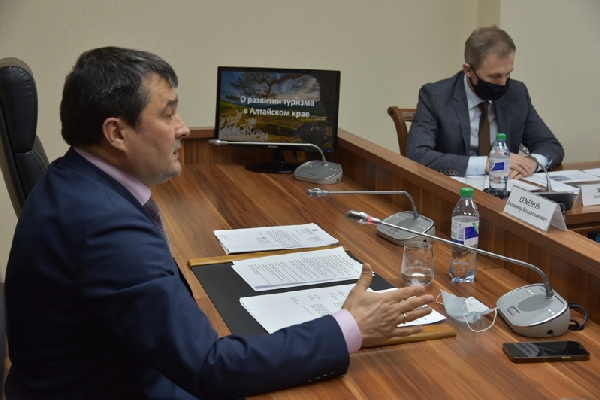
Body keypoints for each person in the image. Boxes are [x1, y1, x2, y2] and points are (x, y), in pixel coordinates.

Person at [4, 47, 434, 400]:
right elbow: (211, 369)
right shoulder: (107, 227)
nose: (183, 128)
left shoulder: (71, 179)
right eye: (168, 114)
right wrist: (350, 328)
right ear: (116, 133)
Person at [406, 26, 564, 178]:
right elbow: (417, 155)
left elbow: (550, 145)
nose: (503, 83)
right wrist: (488, 164)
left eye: (508, 74)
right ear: (468, 70)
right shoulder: (435, 96)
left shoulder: (516, 93)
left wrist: (531, 163)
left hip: (506, 188)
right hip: (454, 189)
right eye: (495, 76)